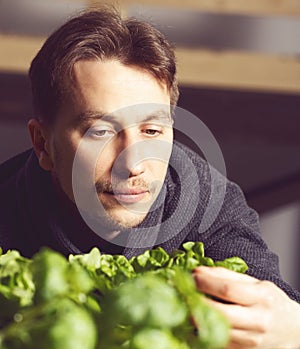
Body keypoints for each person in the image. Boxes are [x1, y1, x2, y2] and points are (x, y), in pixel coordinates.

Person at [0, 7, 299, 348]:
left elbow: (268, 304)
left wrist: (292, 331)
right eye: (100, 132)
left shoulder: (207, 203)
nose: (134, 164)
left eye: (152, 130)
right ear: (43, 144)